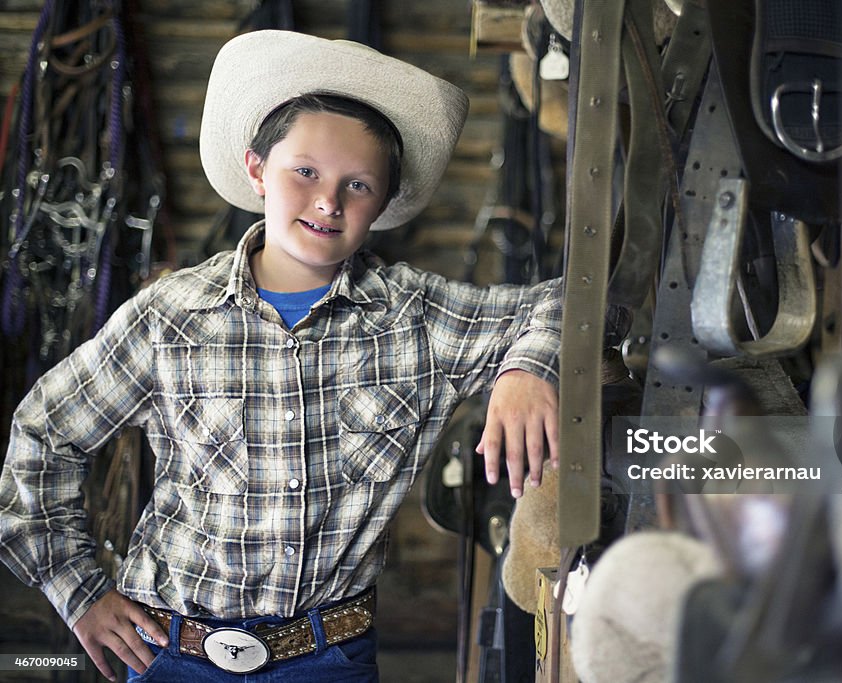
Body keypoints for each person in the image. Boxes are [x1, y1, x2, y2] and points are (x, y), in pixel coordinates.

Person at [0, 30, 624, 682]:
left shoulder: (413, 317)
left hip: (330, 655)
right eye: (306, 172)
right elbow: (43, 432)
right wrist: (80, 592)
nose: (329, 201)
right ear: (256, 170)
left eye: (358, 185)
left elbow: (579, 296)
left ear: (382, 204)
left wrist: (528, 367)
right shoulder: (170, 317)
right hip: (172, 652)